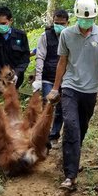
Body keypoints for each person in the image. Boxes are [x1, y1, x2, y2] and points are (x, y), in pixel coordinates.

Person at [46, 0, 98, 190]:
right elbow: (62, 62)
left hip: (90, 91)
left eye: (89, 20)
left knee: (81, 127)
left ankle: (73, 153)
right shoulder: (66, 34)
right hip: (70, 87)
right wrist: (56, 88)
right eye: (82, 19)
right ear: (76, 17)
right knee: (71, 126)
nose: (85, 23)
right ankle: (70, 175)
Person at [32, 9, 70, 148]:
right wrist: (38, 78)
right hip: (48, 76)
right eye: (56, 23)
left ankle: (54, 136)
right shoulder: (45, 36)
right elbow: (40, 56)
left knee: (61, 108)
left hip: (66, 79)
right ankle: (43, 135)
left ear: (67, 23)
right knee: (48, 105)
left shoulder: (71, 36)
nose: (58, 25)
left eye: (62, 23)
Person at [0, 6, 30, 88]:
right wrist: (2, 73)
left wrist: (17, 72)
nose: (0, 26)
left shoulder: (21, 35)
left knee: (13, 97)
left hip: (17, 77)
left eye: (3, 23)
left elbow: (25, 57)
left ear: (10, 20)